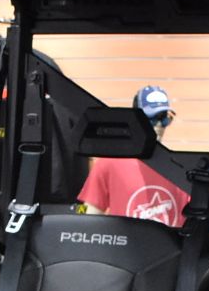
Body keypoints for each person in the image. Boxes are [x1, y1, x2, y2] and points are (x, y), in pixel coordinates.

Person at [78, 84, 188, 226]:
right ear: (136, 118)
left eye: (164, 118)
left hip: (171, 247)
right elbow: (88, 218)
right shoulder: (109, 163)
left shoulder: (179, 167)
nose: (159, 125)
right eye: (152, 118)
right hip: (126, 247)